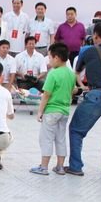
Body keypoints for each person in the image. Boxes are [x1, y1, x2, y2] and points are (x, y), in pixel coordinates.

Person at [65, 21, 101, 177]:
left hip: (95, 95)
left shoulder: (87, 51)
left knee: (76, 130)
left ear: (95, 35)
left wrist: (79, 87)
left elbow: (77, 71)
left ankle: (75, 166)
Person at [30, 43, 75, 175]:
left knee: (46, 138)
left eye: (49, 57)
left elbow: (46, 95)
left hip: (51, 111)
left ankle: (44, 167)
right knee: (60, 139)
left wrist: (40, 111)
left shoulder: (53, 74)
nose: (48, 61)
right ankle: (60, 166)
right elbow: (72, 91)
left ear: (56, 58)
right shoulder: (71, 74)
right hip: (64, 111)